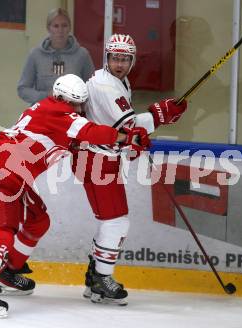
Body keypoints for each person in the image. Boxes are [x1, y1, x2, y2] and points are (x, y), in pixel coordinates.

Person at [0, 73, 150, 318]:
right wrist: (128, 136)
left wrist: (123, 142)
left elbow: (82, 140)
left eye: (80, 104)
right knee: (3, 231)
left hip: (12, 174)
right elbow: (93, 132)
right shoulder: (59, 114)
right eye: (76, 104)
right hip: (0, 174)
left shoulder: (48, 111)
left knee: (38, 219)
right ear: (63, 98)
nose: (78, 109)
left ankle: (8, 271)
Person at [71, 34, 188, 305]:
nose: (119, 63)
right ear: (107, 58)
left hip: (99, 158)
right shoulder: (106, 86)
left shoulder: (116, 81)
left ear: (131, 60)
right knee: (116, 221)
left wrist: (160, 115)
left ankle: (95, 277)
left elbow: (124, 130)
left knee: (109, 220)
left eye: (124, 59)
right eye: (115, 58)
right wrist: (160, 114)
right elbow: (130, 127)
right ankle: (102, 280)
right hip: (96, 160)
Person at [17, 8, 95, 104]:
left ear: (70, 28)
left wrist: (75, 98)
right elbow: (23, 89)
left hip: (71, 113)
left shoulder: (82, 55)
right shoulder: (35, 55)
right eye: (56, 26)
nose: (60, 30)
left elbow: (92, 89)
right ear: (48, 28)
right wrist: (46, 96)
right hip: (43, 112)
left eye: (64, 26)